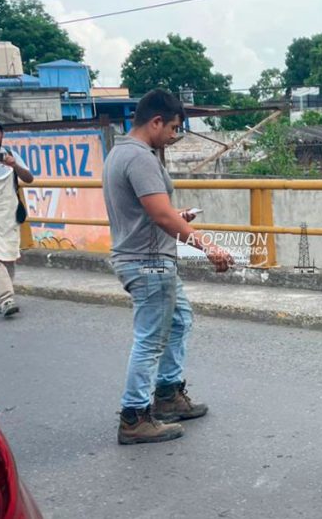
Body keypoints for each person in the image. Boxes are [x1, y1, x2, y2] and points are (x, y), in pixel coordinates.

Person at [103, 89, 234, 445]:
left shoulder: (119, 152)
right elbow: (160, 215)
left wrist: (178, 217)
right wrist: (209, 247)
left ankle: (167, 395)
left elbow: (151, 211)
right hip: (148, 264)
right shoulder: (141, 158)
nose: (175, 135)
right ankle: (134, 416)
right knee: (150, 339)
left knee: (179, 321)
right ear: (156, 121)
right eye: (173, 127)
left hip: (146, 258)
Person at [0, 119, 33, 318]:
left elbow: (29, 178)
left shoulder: (11, 155)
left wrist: (14, 165)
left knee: (7, 258)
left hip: (7, 216)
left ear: (2, 136)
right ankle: (6, 299)